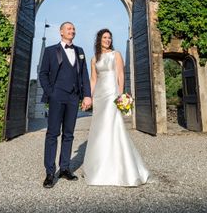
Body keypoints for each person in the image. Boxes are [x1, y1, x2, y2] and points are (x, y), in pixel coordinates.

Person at [82, 28, 149, 186]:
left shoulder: (116, 54)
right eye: (105, 38)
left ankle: (121, 169)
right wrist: (88, 98)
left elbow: (120, 75)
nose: (107, 40)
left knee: (113, 126)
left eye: (109, 38)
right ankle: (99, 166)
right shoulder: (93, 59)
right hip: (99, 96)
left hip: (112, 94)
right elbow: (93, 79)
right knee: (99, 129)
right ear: (99, 40)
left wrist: (120, 96)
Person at [39, 21, 92, 189]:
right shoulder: (50, 51)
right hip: (57, 96)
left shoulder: (80, 51)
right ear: (61, 32)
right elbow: (43, 74)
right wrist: (51, 92)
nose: (72, 31)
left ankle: (65, 168)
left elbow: (84, 74)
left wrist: (87, 95)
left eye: (74, 29)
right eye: (69, 28)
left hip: (73, 98)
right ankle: (49, 172)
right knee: (53, 134)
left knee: (69, 134)